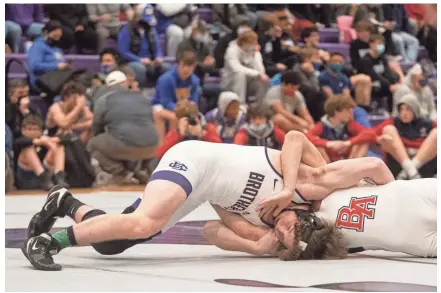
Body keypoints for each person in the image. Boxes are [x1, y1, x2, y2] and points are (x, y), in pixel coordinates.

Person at [23, 130, 394, 270]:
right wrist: (285, 188)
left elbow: (213, 230)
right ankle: (49, 242)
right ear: (307, 217)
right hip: (197, 160)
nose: (281, 226)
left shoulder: (266, 231)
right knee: (147, 223)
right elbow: (296, 137)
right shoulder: (309, 185)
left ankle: (65, 203)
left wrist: (255, 246)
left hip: (199, 189)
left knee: (115, 243)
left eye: (283, 238)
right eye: (290, 225)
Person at [204, 178, 436, 259]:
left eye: (283, 227)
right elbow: (211, 229)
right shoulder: (284, 240)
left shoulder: (313, 194)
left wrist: (211, 192)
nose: (280, 227)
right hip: (420, 228)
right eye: (286, 229)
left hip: (421, 200)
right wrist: (253, 246)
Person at [88, 71, 159, 185]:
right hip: (153, 146)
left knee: (93, 144)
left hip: (126, 145)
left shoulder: (104, 100)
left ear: (107, 87)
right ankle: (142, 170)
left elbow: (96, 127)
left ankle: (122, 173)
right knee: (137, 136)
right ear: (126, 83)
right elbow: (150, 123)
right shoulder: (143, 97)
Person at [372, 94, 437, 179]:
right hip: (398, 165)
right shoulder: (394, 121)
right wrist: (378, 139)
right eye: (401, 109)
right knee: (388, 129)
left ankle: (410, 170)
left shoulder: (428, 123)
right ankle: (410, 170)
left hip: (422, 167)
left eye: (408, 109)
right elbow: (369, 133)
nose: (404, 113)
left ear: (415, 110)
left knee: (437, 133)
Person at [306, 94, 376, 163]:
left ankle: (352, 167)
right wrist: (328, 144)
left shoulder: (350, 124)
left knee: (362, 143)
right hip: (328, 160)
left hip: (347, 159)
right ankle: (326, 169)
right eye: (348, 110)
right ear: (337, 111)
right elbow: (307, 137)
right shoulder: (321, 126)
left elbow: (370, 133)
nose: (351, 114)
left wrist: (348, 143)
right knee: (317, 146)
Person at [13, 114, 68, 190]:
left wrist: (50, 142)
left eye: (35, 129)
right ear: (23, 130)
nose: (32, 132)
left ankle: (59, 176)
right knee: (28, 147)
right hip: (26, 178)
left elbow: (67, 140)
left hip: (48, 181)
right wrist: (38, 141)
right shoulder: (20, 142)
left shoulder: (44, 139)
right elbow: (19, 142)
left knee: (59, 147)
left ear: (41, 131)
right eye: (29, 129)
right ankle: (43, 177)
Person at [118, 4, 167, 88]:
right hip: (131, 62)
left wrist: (158, 57)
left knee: (166, 68)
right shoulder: (126, 30)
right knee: (140, 68)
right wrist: (140, 60)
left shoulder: (152, 29)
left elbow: (157, 47)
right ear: (137, 18)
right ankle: (140, 91)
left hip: (150, 61)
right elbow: (123, 52)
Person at [156, 100, 222, 158]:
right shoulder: (175, 133)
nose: (188, 123)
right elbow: (160, 154)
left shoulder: (208, 128)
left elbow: (219, 151)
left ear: (197, 116)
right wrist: (179, 135)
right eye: (185, 120)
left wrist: (203, 134)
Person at [221, 30, 269, 105]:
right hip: (230, 81)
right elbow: (236, 68)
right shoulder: (231, 50)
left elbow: (261, 71)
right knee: (240, 74)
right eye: (252, 43)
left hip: (248, 81)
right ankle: (240, 104)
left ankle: (259, 105)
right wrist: (257, 73)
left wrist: (255, 55)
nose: (254, 45)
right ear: (244, 43)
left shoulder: (253, 51)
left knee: (264, 79)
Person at [27, 20, 67, 90]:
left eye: (58, 37)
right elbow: (34, 66)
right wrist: (56, 66)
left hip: (58, 79)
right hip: (42, 81)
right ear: (46, 33)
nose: (57, 39)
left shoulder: (58, 50)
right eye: (55, 36)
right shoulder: (38, 46)